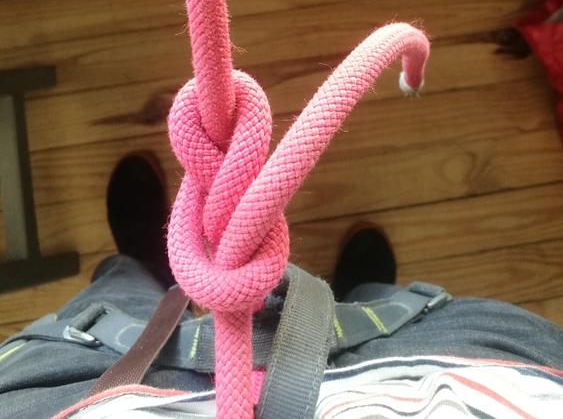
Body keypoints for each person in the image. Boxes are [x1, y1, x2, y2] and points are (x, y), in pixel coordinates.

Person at [1, 153, 563, 419]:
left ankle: (144, 261)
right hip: (477, 376)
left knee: (112, 299)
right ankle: (363, 291)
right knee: (392, 311)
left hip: (70, 401)